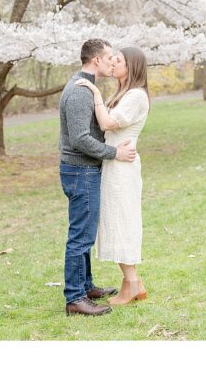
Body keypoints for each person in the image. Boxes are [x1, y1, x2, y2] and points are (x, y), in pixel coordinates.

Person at [58, 39, 136, 317]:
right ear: (95, 61)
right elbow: (80, 139)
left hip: (81, 170)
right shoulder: (80, 92)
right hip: (81, 170)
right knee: (81, 236)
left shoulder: (83, 86)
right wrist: (114, 152)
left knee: (84, 234)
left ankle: (85, 285)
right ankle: (75, 298)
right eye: (109, 57)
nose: (112, 62)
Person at [75, 47, 150, 306]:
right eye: (113, 59)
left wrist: (95, 92)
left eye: (119, 60)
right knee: (115, 221)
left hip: (122, 166)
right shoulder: (124, 93)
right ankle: (133, 283)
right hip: (114, 161)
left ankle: (131, 284)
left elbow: (107, 124)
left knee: (121, 222)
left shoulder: (136, 96)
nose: (114, 63)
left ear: (132, 67)